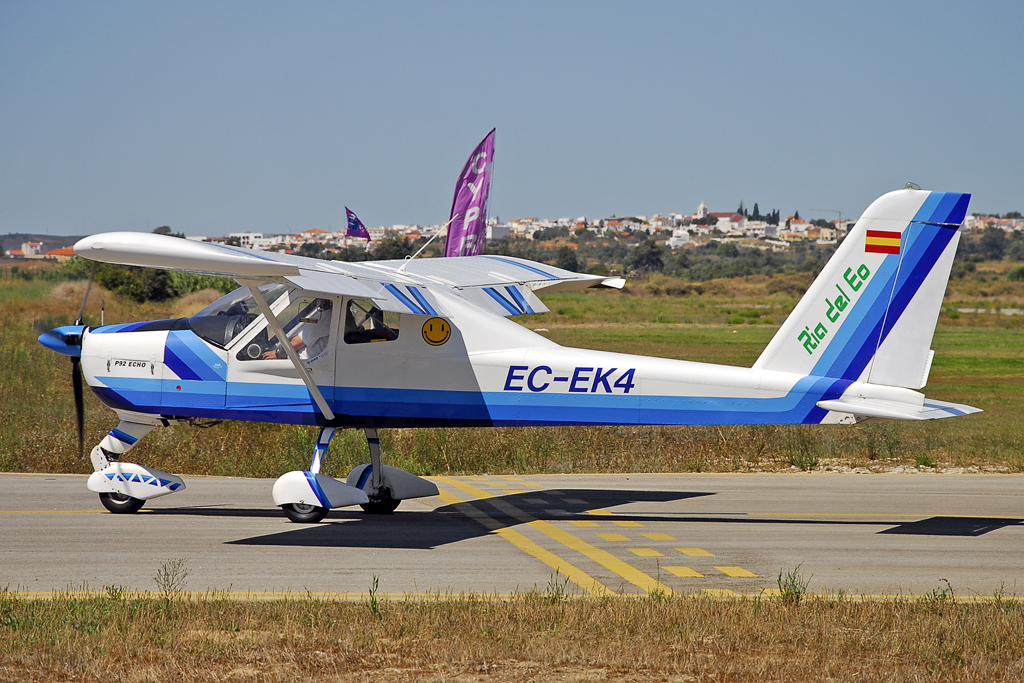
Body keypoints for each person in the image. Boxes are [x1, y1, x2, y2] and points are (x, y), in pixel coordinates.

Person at [263, 299, 333, 360]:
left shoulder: (327, 317)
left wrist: (278, 354)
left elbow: (295, 344)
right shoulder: (331, 317)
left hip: (303, 363)